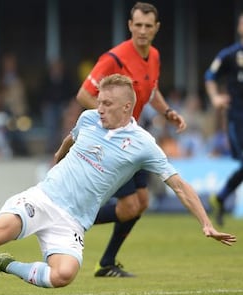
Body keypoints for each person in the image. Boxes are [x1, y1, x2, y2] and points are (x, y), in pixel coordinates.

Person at [0, 74, 236, 293]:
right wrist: (60, 155)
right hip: (45, 197)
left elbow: (179, 185)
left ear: (128, 109)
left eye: (108, 105)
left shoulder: (143, 144)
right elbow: (71, 136)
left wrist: (206, 223)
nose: (100, 109)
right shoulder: (89, 118)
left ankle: (1, 266)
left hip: (74, 221)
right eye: (99, 102)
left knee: (63, 276)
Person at [76, 2, 187, 277]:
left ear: (156, 28)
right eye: (138, 25)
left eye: (148, 26)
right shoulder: (115, 58)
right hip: (113, 142)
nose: (142, 30)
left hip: (131, 140)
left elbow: (151, 91)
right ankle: (74, 223)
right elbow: (83, 95)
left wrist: (168, 111)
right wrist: (108, 123)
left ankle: (106, 262)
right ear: (129, 26)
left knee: (141, 203)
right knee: (128, 207)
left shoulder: (155, 56)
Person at [205, 11, 243, 227]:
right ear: (239, 27)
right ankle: (220, 197)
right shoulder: (230, 54)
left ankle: (219, 198)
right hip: (238, 117)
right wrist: (214, 97)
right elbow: (210, 75)